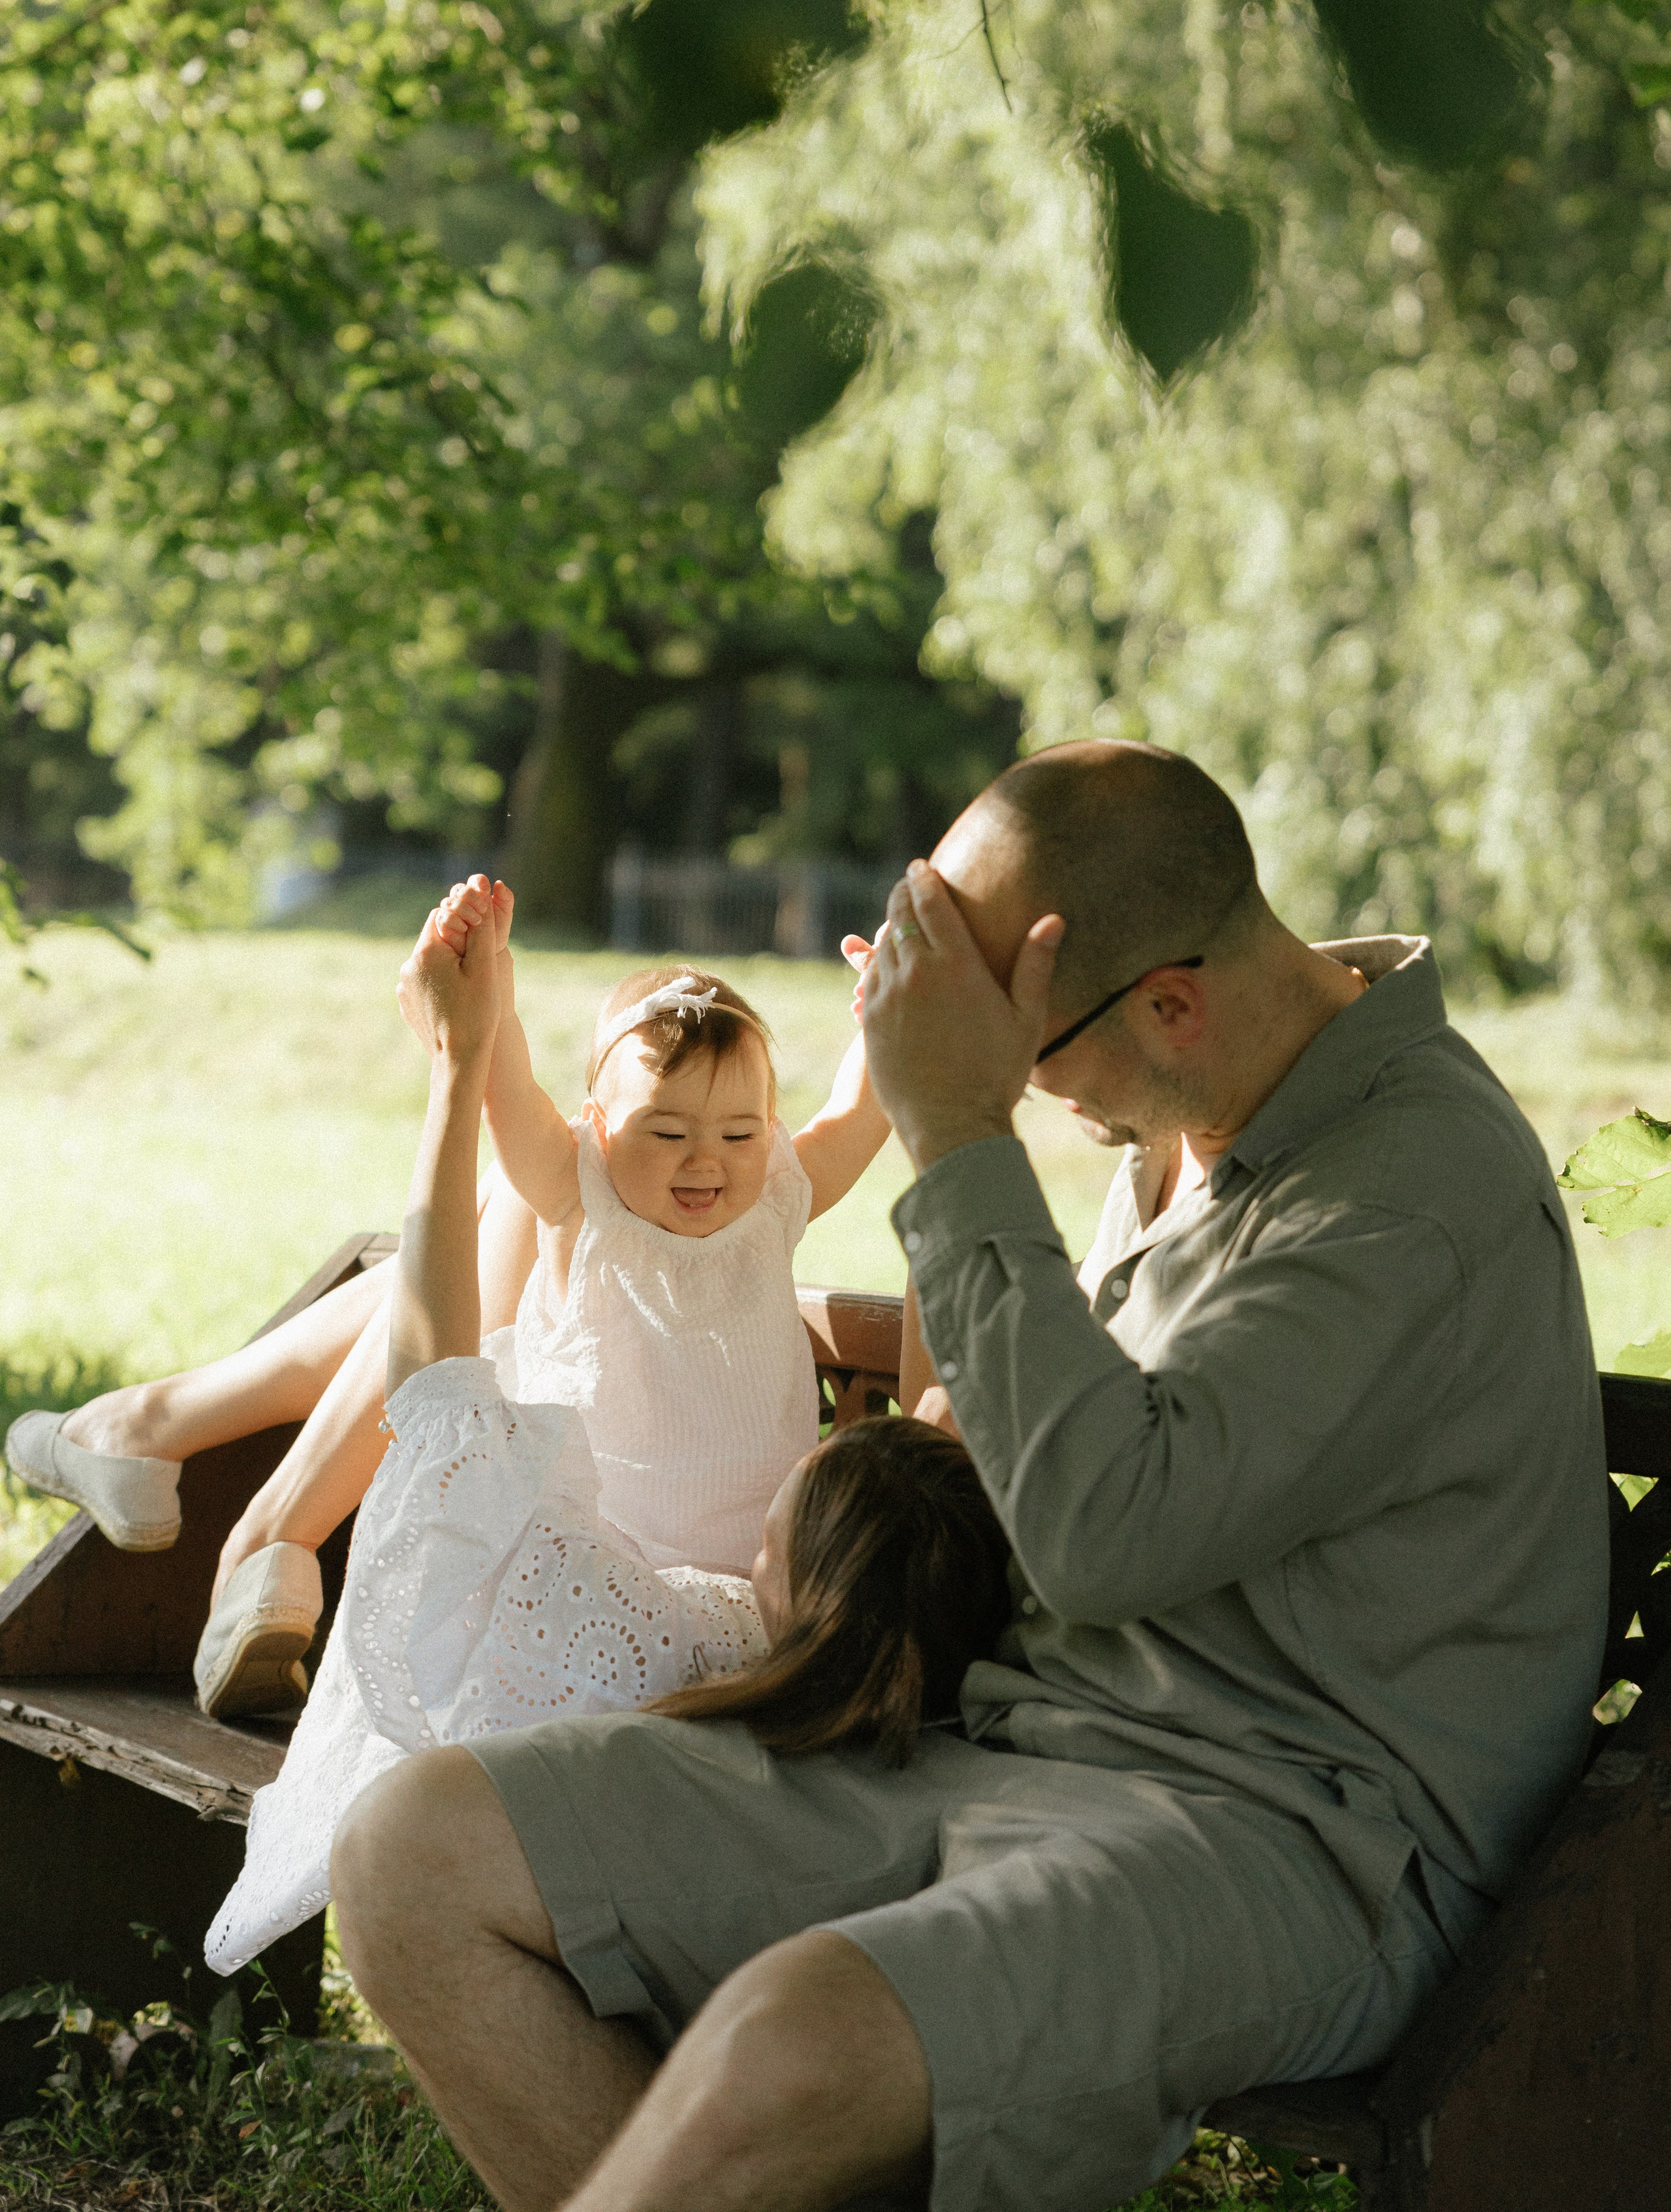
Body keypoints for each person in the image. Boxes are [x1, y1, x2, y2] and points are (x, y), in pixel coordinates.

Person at [329, 738, 1610, 2212]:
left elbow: (1103, 1538)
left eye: (1019, 1049)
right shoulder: (1208, 1103)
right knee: (415, 1856)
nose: (1008, 1081)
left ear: (1168, 1004)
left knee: (797, 2031)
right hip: (1000, 1749)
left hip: (1292, 1835)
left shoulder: (1407, 1193)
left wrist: (955, 1129)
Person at [6, 882, 891, 1721]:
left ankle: (217, 1499)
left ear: (770, 1132)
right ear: (596, 1127)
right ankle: (178, 1463)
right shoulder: (582, 1193)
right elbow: (506, 1096)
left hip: (717, 1591)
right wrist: (489, 988)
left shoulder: (775, 1193)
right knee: (503, 1212)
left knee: (483, 1239)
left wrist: (885, 1012)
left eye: (741, 1133)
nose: (708, 1161)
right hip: (619, 1569)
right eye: (668, 1132)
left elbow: (859, 1112)